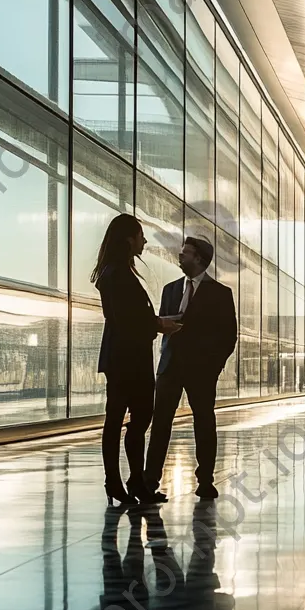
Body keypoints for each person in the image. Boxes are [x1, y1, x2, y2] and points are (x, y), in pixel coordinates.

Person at [93, 213, 182, 506]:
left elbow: (130, 316)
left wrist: (155, 322)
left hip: (125, 357)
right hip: (126, 359)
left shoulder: (118, 271)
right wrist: (157, 324)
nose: (144, 241)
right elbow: (127, 319)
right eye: (141, 235)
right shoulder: (116, 273)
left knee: (130, 417)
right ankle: (121, 482)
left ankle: (128, 482)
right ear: (129, 238)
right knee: (128, 417)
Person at [145, 237, 238, 500]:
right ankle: (151, 479)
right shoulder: (170, 290)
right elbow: (161, 326)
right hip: (170, 366)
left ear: (199, 258)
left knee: (205, 423)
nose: (179, 255)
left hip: (201, 370)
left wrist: (214, 367)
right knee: (161, 423)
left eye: (185, 253)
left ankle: (206, 480)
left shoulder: (220, 293)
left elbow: (228, 336)